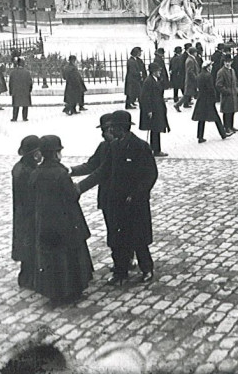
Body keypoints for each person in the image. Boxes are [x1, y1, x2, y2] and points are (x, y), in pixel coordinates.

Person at [78, 111, 157, 285]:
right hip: (116, 201)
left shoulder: (141, 146)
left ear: (123, 128)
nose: (110, 130)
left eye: (113, 127)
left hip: (135, 202)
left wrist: (137, 194)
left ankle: (147, 269)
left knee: (139, 238)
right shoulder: (112, 147)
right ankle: (120, 272)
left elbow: (150, 175)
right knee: (117, 238)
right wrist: (80, 188)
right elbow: (102, 170)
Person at [31, 135, 93, 302]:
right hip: (67, 221)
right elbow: (72, 195)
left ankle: (54, 292)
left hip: (46, 223)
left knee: (52, 257)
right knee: (70, 256)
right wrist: (76, 188)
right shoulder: (61, 172)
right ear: (56, 153)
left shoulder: (36, 172)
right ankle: (72, 291)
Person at [68, 114, 130, 274]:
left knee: (123, 231)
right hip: (107, 197)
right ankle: (123, 261)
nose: (104, 133)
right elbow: (91, 165)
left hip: (123, 197)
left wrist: (79, 188)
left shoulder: (124, 147)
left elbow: (100, 173)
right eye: (103, 130)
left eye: (107, 130)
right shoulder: (103, 147)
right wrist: (71, 171)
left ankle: (124, 264)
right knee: (114, 231)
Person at [11, 135, 42, 289]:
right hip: (29, 213)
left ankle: (28, 276)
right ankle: (28, 279)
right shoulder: (26, 171)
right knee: (30, 245)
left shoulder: (21, 167)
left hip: (24, 212)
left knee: (28, 245)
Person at [193, 59, 232, 142]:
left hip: (201, 99)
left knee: (201, 118)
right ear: (207, 67)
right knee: (216, 118)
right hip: (208, 100)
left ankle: (200, 137)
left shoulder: (200, 75)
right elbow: (211, 88)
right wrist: (214, 98)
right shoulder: (208, 76)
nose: (211, 67)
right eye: (210, 66)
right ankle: (223, 134)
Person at [140, 62, 170, 157]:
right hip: (154, 109)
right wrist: (149, 110)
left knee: (156, 129)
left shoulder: (156, 80)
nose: (160, 72)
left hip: (158, 108)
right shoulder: (148, 81)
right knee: (155, 129)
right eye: (158, 71)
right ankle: (156, 150)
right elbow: (145, 97)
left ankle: (155, 149)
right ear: (153, 72)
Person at [215, 53, 238, 134]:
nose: (227, 63)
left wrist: (237, 89)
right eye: (226, 62)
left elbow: (236, 81)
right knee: (227, 112)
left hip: (233, 94)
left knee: (232, 111)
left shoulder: (232, 70)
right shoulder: (221, 72)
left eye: (229, 62)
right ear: (223, 62)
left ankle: (231, 126)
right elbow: (218, 85)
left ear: (231, 62)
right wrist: (226, 91)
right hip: (227, 95)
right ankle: (226, 127)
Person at [173, 47, 200, 112]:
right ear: (193, 53)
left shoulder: (191, 59)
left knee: (188, 94)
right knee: (187, 94)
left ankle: (180, 104)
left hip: (191, 80)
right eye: (196, 52)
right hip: (191, 81)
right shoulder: (190, 60)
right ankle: (177, 105)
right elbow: (190, 71)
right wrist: (195, 78)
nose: (196, 53)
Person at [9, 58, 32, 122]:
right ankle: (25, 117)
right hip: (25, 91)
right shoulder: (27, 73)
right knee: (25, 105)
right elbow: (30, 83)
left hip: (16, 91)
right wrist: (29, 90)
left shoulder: (13, 72)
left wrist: (11, 91)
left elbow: (10, 83)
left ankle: (14, 117)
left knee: (16, 105)